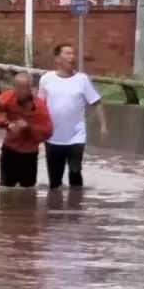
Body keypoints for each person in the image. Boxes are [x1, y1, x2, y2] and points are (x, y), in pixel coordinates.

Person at [38, 43, 108, 189]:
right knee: (55, 180)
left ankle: (76, 205)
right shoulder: (46, 79)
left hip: (76, 136)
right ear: (57, 59)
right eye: (67, 54)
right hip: (52, 136)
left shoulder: (82, 79)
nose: (72, 57)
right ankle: (54, 208)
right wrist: (38, 128)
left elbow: (96, 102)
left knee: (75, 171)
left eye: (73, 54)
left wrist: (103, 126)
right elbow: (40, 105)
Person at [0, 71, 52, 188]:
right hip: (9, 150)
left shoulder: (40, 106)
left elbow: (48, 132)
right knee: (6, 189)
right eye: (17, 87)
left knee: (28, 192)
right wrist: (6, 123)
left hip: (30, 154)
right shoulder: (7, 97)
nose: (19, 91)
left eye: (23, 88)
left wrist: (29, 127)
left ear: (31, 89)